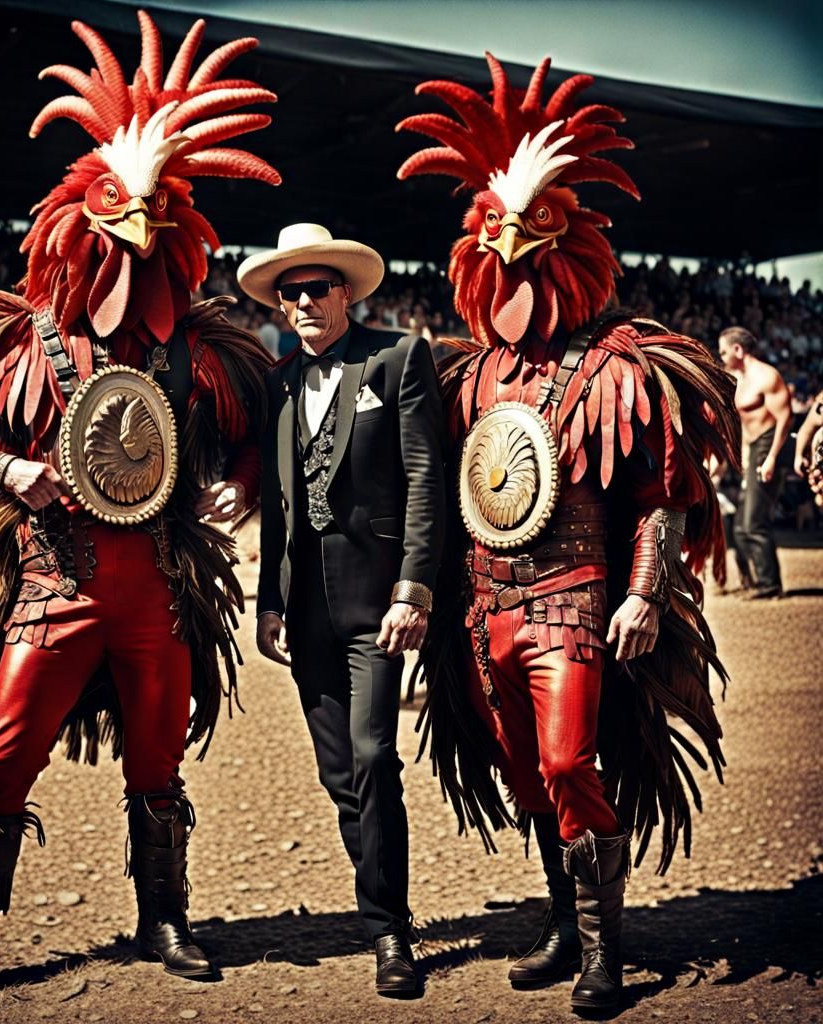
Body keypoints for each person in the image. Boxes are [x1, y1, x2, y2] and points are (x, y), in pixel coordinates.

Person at [0, 14, 280, 1023]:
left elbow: (255, 441)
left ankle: (163, 916)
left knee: (159, 755)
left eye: (152, 208)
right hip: (55, 582)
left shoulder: (200, 350)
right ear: (78, 209)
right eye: (115, 203)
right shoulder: (18, 342)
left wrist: (241, 484)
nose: (132, 225)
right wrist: (6, 465)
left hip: (160, 592)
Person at [397, 56, 739, 1013]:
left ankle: (603, 951)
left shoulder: (615, 366)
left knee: (565, 763)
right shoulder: (466, 376)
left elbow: (663, 492)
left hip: (575, 606)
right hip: (485, 614)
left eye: (532, 224)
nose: (511, 243)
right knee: (526, 779)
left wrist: (643, 590)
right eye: (496, 225)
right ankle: (563, 919)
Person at [239, 224, 445, 997]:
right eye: (290, 292)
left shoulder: (397, 356)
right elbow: (277, 505)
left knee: (372, 756)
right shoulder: (279, 382)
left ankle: (389, 932)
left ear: (347, 292)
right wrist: (266, 605)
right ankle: (384, 912)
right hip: (305, 613)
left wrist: (413, 588)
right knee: (340, 776)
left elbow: (426, 477)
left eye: (316, 288)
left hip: (377, 604)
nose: (302, 302)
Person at [718, 326, 793, 598]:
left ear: (738, 349)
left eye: (724, 350)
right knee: (739, 526)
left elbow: (785, 418)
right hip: (751, 448)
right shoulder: (735, 378)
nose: (721, 355)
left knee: (753, 522)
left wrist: (771, 456)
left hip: (769, 442)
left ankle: (769, 583)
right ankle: (752, 580)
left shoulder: (766, 376)